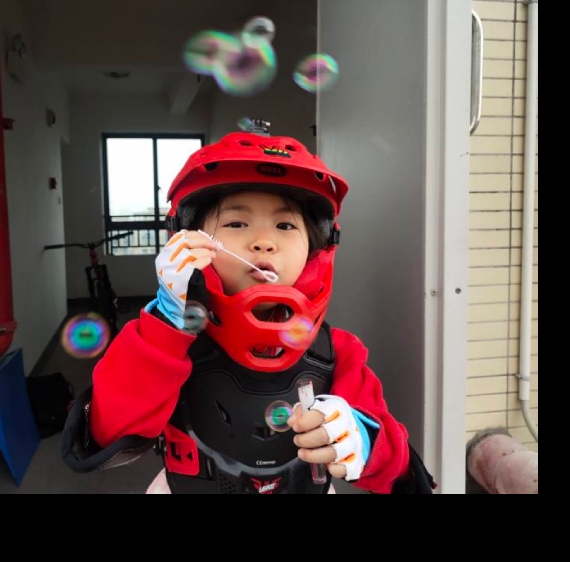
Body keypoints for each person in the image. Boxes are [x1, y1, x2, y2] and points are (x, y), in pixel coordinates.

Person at [62, 129, 435, 494]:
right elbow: (108, 432)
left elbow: (399, 473)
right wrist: (167, 322)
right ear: (190, 243)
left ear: (316, 249)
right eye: (236, 223)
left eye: (285, 225)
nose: (263, 242)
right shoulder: (164, 341)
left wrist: (364, 441)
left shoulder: (337, 352)